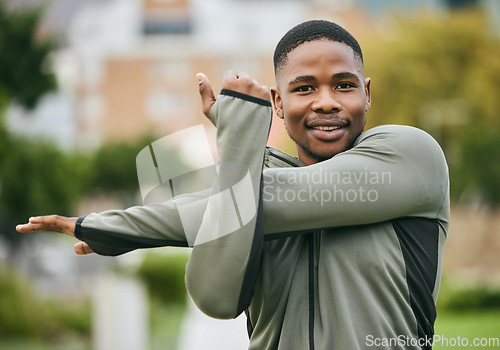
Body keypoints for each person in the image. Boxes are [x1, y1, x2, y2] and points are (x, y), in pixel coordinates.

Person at [17, 20, 449, 350]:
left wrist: (118, 228)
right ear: (277, 103)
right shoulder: (241, 189)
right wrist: (239, 150)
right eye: (303, 88)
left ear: (367, 93)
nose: (326, 101)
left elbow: (277, 200)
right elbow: (215, 299)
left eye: (344, 85)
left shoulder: (411, 155)